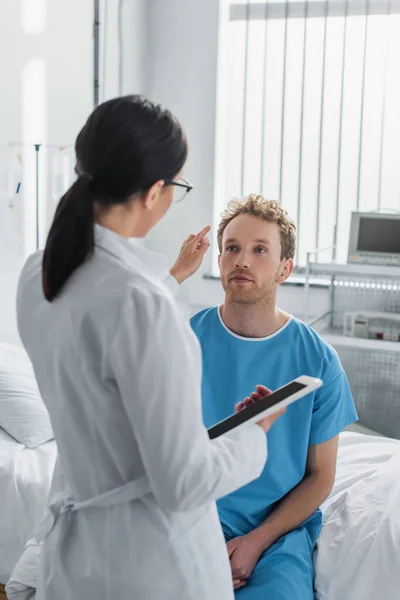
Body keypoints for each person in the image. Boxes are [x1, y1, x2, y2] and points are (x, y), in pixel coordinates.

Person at [15, 98, 284, 600]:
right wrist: (255, 434)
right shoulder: (144, 305)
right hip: (153, 567)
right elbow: (183, 482)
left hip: (78, 560)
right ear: (155, 191)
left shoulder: (38, 274)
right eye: (177, 187)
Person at [190, 194, 358, 599]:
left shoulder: (318, 360)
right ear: (219, 261)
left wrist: (258, 540)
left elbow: (321, 475)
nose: (242, 260)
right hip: (190, 519)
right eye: (232, 248)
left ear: (285, 268)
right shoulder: (182, 340)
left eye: (259, 250)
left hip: (276, 531)